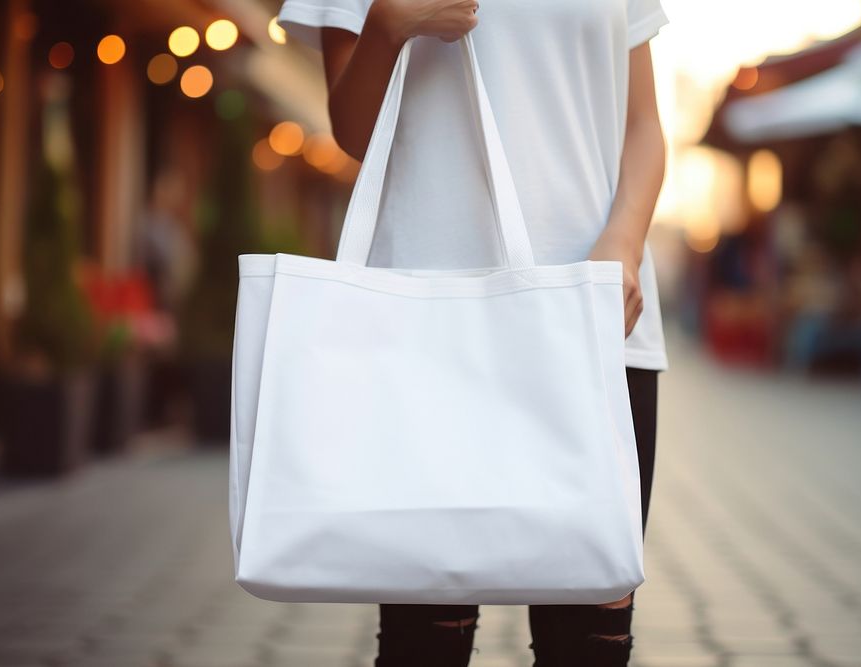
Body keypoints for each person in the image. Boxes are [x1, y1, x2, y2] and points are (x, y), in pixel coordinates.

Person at [276, 0, 670, 664]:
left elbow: (643, 125)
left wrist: (624, 245)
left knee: (589, 644)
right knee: (425, 641)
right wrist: (388, 23)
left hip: (595, 319)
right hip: (428, 325)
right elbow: (353, 131)